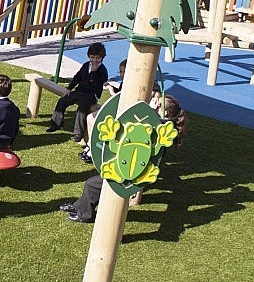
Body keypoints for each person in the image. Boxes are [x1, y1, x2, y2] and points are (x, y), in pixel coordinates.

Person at [61, 93, 186, 223]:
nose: (153, 103)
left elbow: (152, 134)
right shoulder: (157, 124)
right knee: (95, 182)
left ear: (164, 111)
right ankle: (78, 206)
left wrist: (152, 112)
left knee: (92, 184)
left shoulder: (160, 127)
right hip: (128, 165)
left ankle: (85, 214)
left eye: (157, 103)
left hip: (132, 173)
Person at [46, 41, 108, 142]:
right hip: (80, 91)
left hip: (92, 94)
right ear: (89, 56)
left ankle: (78, 134)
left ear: (102, 58)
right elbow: (77, 77)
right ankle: (56, 124)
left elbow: (97, 83)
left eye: (97, 58)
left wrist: (93, 72)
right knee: (62, 101)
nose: (94, 60)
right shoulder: (86, 65)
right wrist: (69, 88)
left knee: (82, 109)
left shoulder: (102, 70)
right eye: (92, 57)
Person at [79, 59, 127, 163]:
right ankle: (90, 145)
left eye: (124, 72)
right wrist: (110, 86)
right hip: (117, 110)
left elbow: (120, 99)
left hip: (121, 114)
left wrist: (111, 90)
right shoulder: (125, 82)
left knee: (93, 118)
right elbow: (119, 93)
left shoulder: (131, 85)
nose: (122, 74)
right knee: (91, 115)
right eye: (121, 72)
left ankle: (94, 149)